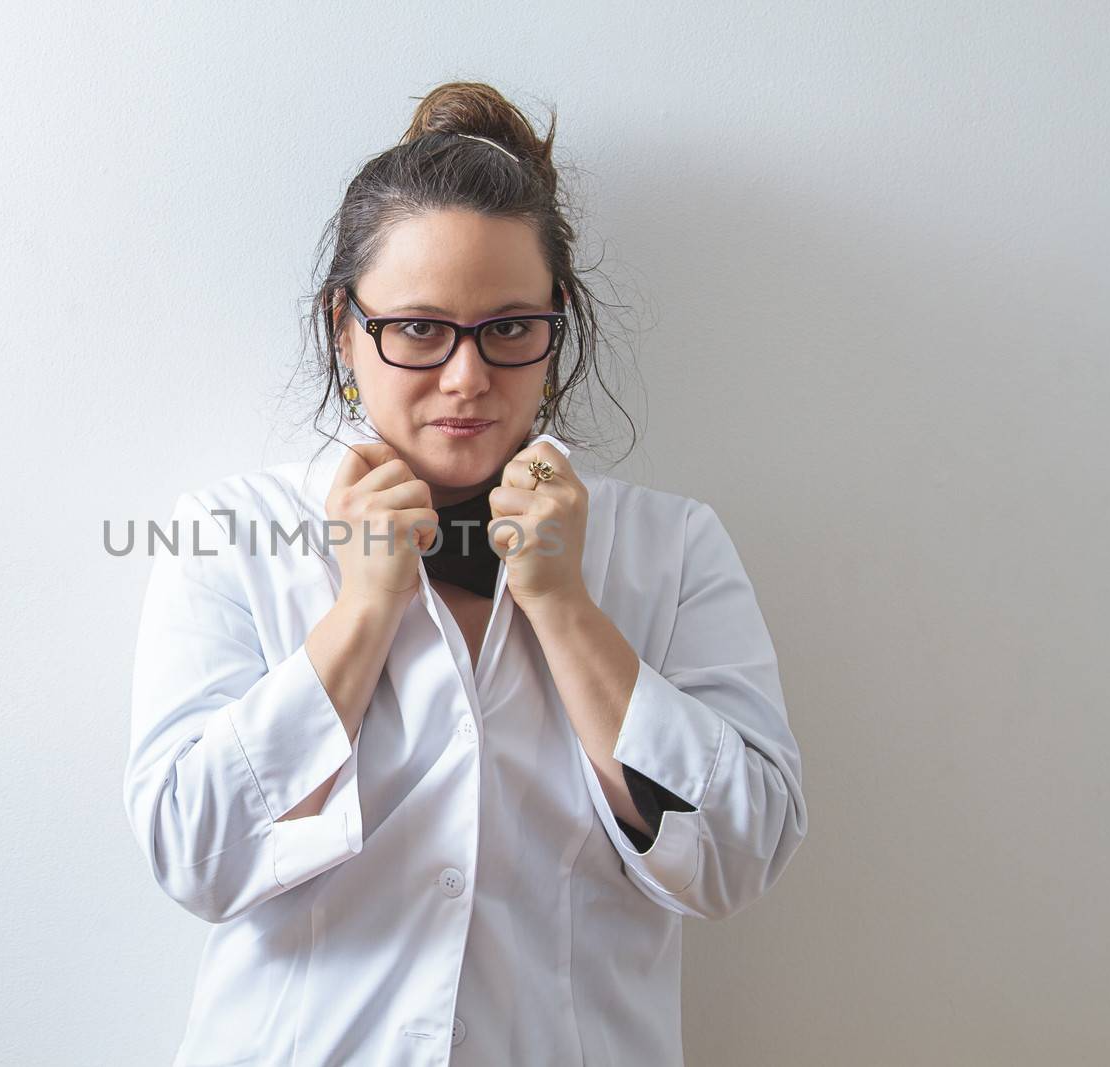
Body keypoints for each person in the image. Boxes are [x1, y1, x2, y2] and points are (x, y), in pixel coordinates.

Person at [123, 81, 808, 1066]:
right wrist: (360, 612)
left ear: (555, 324)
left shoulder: (673, 547)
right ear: (343, 328)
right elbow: (192, 852)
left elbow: (742, 852)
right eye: (417, 328)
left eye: (507, 327)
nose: (465, 377)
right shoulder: (229, 534)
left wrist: (567, 607)